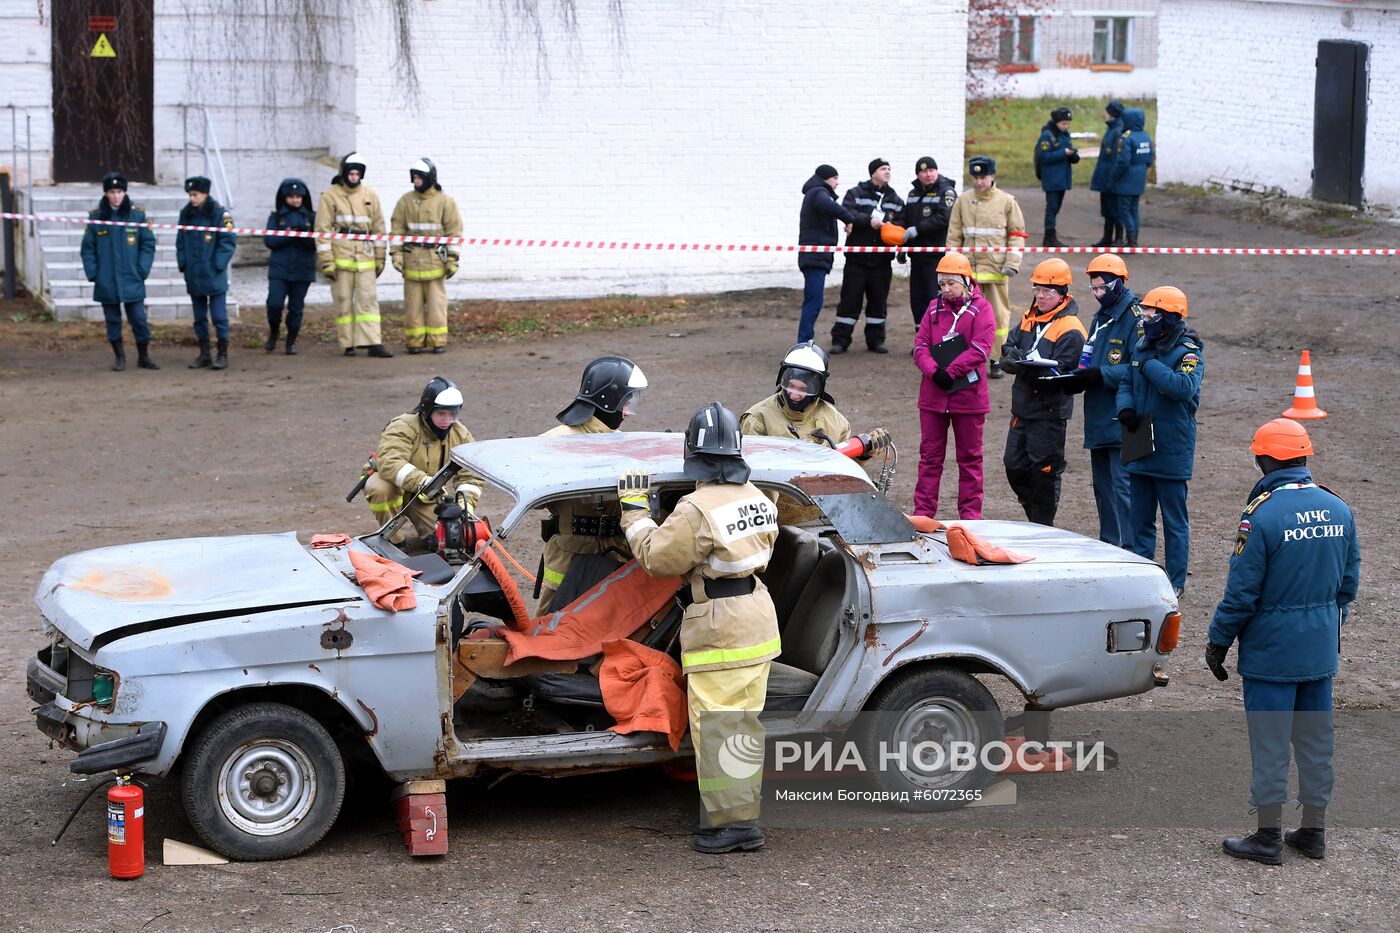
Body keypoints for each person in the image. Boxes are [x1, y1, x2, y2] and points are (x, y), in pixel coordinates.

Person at [618, 402, 780, 854]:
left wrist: (635, 513)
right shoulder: (758, 497)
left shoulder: (695, 508)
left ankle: (734, 826)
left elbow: (657, 557)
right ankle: (741, 814)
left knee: (718, 727)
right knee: (744, 724)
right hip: (757, 620)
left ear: (695, 456)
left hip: (720, 630)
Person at [1206, 419, 1360, 865]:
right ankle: (1313, 832)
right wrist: (1325, 627)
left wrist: (1218, 641)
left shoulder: (1263, 514)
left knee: (1271, 741)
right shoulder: (1339, 508)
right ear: (1304, 457)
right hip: (1317, 650)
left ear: (1265, 460)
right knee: (1315, 741)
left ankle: (1268, 837)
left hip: (1272, 653)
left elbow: (1241, 593)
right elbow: (1347, 585)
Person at [536, 356, 649, 612]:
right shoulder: (553, 443)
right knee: (551, 632)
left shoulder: (624, 443)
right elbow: (532, 499)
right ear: (611, 399)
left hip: (617, 557)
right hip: (569, 562)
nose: (629, 410)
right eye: (627, 400)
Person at [1115, 286, 1203, 596]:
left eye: (1151, 313)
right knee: (1139, 520)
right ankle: (1142, 574)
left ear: (1169, 316)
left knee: (1174, 522)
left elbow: (1182, 388)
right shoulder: (1142, 346)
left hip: (1171, 450)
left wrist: (1151, 364)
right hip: (1141, 445)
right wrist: (1124, 407)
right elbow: (1127, 379)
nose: (1145, 317)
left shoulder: (1188, 353)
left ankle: (1175, 581)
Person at [1055, 254, 1142, 547]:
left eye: (1103, 288)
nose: (1098, 294)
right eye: (1094, 289)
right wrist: (1075, 378)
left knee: (1127, 489)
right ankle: (1110, 546)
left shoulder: (1136, 318)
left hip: (1130, 418)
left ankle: (1134, 552)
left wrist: (1099, 375)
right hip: (1100, 417)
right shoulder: (1099, 318)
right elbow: (1088, 360)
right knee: (1104, 489)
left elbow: (1140, 367)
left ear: (1120, 283)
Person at [998, 259, 1086, 525]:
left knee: (1045, 472)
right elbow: (1007, 349)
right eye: (1038, 289)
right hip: (1022, 409)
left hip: (1049, 414)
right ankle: (1035, 514)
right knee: (1014, 466)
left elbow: (1061, 373)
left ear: (1062, 294)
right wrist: (1016, 360)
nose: (1041, 295)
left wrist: (1021, 362)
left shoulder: (1071, 328)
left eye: (1048, 291)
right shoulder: (1029, 318)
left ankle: (1043, 526)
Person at [911, 252, 995, 519]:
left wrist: (950, 372)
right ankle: (923, 516)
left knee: (970, 460)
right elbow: (920, 345)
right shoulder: (933, 308)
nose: (946, 289)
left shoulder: (983, 309)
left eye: (951, 283)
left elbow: (980, 349)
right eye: (942, 284)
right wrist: (934, 372)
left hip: (968, 398)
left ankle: (971, 519)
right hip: (934, 396)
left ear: (966, 281)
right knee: (929, 460)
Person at [365, 376, 485, 546]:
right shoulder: (403, 426)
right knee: (380, 488)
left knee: (447, 539)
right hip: (396, 485)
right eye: (441, 413)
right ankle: (393, 541)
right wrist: (422, 481)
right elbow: (390, 463)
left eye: (453, 413)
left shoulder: (460, 434)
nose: (447, 420)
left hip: (425, 493)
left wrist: (465, 506)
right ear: (427, 410)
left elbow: (472, 475)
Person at [945, 156, 1027, 379]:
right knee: (961, 316)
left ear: (993, 176)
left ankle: (996, 359)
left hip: (997, 270)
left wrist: (1012, 262)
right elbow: (954, 236)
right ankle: (960, 357)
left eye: (983, 177)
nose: (979, 182)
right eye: (976, 177)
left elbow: (1017, 235)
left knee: (997, 318)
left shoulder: (1007, 201)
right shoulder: (963, 201)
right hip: (967, 273)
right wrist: (951, 266)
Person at [317, 153, 393, 358]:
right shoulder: (330, 196)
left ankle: (373, 342)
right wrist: (327, 262)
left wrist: (380, 257)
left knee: (368, 301)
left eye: (357, 173)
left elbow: (379, 228)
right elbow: (322, 232)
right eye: (350, 173)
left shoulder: (370, 194)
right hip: (340, 258)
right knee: (343, 300)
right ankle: (348, 343)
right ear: (343, 174)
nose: (353, 177)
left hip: (365, 257)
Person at [80, 171, 158, 372]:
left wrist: (142, 269)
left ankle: (144, 356)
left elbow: (148, 244)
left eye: (120, 191)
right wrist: (94, 273)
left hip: (132, 277)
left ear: (125, 192)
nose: (116, 196)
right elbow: (87, 248)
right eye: (112, 192)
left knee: (139, 320)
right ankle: (119, 357)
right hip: (107, 279)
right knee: (112, 321)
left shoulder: (137, 216)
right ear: (106, 194)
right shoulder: (97, 218)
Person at [831, 159, 904, 354]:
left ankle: (876, 340)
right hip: (857, 260)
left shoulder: (894, 199)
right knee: (849, 301)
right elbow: (847, 212)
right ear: (873, 173)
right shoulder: (856, 193)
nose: (887, 172)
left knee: (878, 303)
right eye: (883, 169)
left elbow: (902, 222)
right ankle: (840, 340)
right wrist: (868, 220)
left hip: (882, 262)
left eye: (889, 169)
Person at [390, 158, 463, 354]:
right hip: (412, 262)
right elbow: (397, 230)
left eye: (418, 178)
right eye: (413, 178)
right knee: (412, 308)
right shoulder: (405, 201)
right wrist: (396, 255)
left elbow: (454, 232)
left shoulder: (445, 201)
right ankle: (414, 342)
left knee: (437, 307)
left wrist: (453, 260)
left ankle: (438, 341)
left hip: (435, 262)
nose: (415, 182)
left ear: (428, 178)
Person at [176, 176, 237, 371]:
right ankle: (204, 353)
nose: (192, 198)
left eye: (196, 195)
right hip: (194, 274)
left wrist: (218, 265)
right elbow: (181, 242)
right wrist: (184, 264)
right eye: (190, 195)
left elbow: (228, 241)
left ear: (205, 194)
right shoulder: (185, 214)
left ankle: (222, 353)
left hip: (214, 273)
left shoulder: (220, 213)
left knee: (219, 316)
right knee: (199, 317)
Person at [796, 164, 855, 344]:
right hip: (815, 256)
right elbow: (829, 206)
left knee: (814, 300)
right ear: (826, 178)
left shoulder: (815, 192)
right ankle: (804, 342)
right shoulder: (818, 192)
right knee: (814, 301)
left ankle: (805, 340)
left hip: (816, 256)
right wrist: (849, 218)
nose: (837, 183)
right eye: (835, 178)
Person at [900, 156, 958, 328]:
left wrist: (917, 229)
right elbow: (906, 220)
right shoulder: (913, 194)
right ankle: (921, 338)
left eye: (931, 170)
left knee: (934, 297)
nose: (928, 174)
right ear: (918, 174)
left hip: (935, 255)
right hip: (916, 256)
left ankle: (937, 338)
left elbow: (944, 218)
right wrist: (902, 248)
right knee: (917, 299)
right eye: (924, 171)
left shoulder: (946, 191)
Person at [262, 178, 317, 355]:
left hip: (302, 270)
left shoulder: (311, 218)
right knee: (274, 304)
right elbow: (270, 241)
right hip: (280, 269)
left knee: (296, 308)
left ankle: (291, 341)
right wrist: (290, 233)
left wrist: (303, 234)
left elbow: (317, 243)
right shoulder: (276, 217)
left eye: (298, 196)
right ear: (284, 197)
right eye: (291, 196)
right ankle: (274, 332)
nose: (295, 200)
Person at [1034, 107, 1078, 248]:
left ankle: (1051, 236)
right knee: (1051, 208)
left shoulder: (1065, 135)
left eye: (1068, 123)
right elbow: (1043, 156)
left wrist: (1073, 155)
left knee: (1056, 207)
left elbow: (1068, 152)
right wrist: (1063, 153)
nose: (1066, 126)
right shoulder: (1048, 136)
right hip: (1052, 178)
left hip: (1062, 178)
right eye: (1063, 123)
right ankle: (1049, 237)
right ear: (1056, 122)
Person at [1110, 108, 1154, 248]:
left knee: (1124, 210)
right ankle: (1134, 239)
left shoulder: (1127, 138)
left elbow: (1123, 162)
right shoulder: (1146, 137)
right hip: (1139, 179)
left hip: (1126, 180)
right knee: (1134, 210)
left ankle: (1131, 241)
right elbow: (1149, 159)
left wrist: (1114, 177)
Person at [1089, 100, 1126, 248]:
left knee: (1115, 209)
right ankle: (1107, 237)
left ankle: (1118, 237)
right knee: (1107, 209)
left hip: (1112, 177)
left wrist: (1113, 178)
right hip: (1105, 176)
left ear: (1111, 114)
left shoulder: (1117, 131)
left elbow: (1117, 157)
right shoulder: (1111, 129)